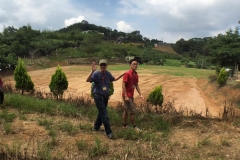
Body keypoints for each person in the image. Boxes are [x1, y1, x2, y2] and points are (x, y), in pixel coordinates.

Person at [86, 59, 125, 139]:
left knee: (101, 112)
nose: (103, 66)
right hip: (98, 96)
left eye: (104, 65)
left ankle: (96, 127)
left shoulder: (108, 74)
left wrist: (122, 74)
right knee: (104, 114)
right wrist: (92, 71)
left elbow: (114, 79)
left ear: (107, 65)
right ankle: (109, 132)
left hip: (105, 97)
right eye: (101, 65)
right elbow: (87, 80)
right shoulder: (96, 74)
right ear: (100, 66)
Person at [122, 58, 144, 131]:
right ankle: (135, 127)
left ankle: (124, 125)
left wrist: (140, 94)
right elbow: (123, 85)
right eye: (133, 64)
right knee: (132, 111)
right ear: (130, 65)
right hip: (127, 96)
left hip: (131, 95)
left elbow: (136, 85)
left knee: (126, 110)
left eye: (136, 64)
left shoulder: (135, 74)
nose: (135, 65)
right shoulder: (127, 73)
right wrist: (125, 96)